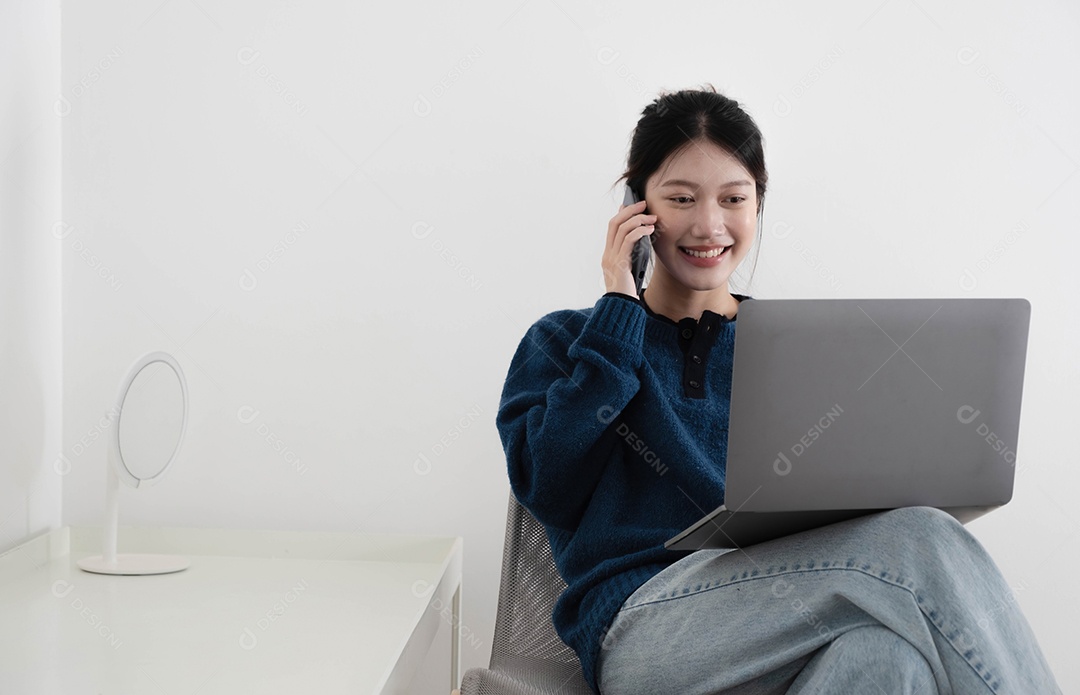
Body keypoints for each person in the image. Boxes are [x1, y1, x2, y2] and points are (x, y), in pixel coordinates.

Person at [495, 85, 1061, 694]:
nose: (709, 224)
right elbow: (545, 486)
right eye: (682, 198)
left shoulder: (793, 347)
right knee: (921, 541)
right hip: (646, 632)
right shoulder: (568, 341)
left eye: (733, 198)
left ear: (757, 204)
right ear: (637, 205)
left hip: (790, 619)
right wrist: (617, 311)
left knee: (884, 657)